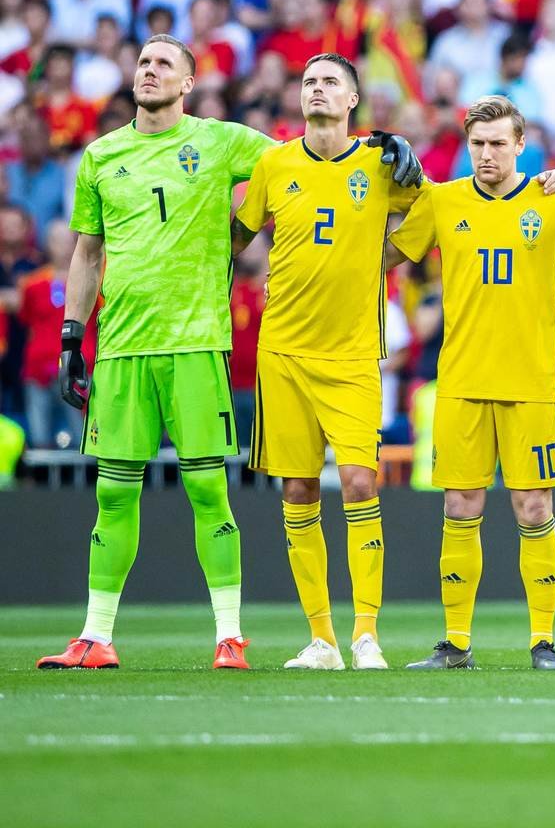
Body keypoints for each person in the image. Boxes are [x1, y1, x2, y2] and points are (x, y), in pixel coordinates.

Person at [36, 35, 416, 671]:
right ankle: (96, 635)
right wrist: (73, 335)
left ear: (189, 83)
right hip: (124, 345)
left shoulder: (224, 141)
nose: (149, 71)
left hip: (198, 341)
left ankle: (231, 636)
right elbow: (86, 252)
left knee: (211, 491)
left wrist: (390, 147)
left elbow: (316, 163)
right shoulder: (101, 157)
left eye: (164, 65)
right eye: (143, 63)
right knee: (114, 494)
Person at [384, 96, 555, 671]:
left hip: (530, 383)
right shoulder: (444, 200)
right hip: (461, 381)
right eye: (477, 143)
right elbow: (389, 254)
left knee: (532, 506)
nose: (487, 154)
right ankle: (455, 643)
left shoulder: (552, 202)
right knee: (459, 504)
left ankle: (544, 641)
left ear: (520, 145)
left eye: (498, 143)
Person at [230, 54, 424, 672]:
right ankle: (322, 639)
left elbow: (437, 209)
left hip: (353, 353)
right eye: (308, 80)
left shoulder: (380, 160)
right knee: (298, 487)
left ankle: (366, 633)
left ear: (352, 99)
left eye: (329, 82)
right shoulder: (274, 163)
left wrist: (384, 256)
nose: (316, 88)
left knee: (361, 482)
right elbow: (234, 239)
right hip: (283, 351)